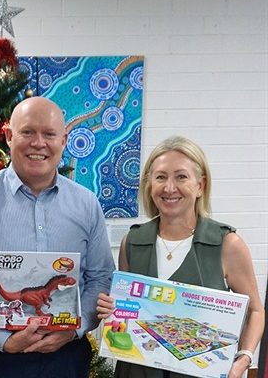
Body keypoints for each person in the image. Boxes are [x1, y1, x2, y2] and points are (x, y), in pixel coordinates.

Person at [0, 96, 115, 378]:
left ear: (64, 140)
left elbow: (101, 277)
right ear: (10, 136)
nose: (39, 143)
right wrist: (2, 339)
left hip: (68, 356)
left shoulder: (87, 204)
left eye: (49, 134)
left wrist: (75, 328)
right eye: (28, 132)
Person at [97, 136, 265, 378]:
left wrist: (244, 358)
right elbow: (129, 310)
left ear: (200, 186)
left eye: (181, 177)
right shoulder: (132, 242)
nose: (169, 188)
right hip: (136, 371)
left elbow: (256, 311)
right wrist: (112, 307)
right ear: (149, 185)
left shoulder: (227, 244)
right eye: (161, 177)